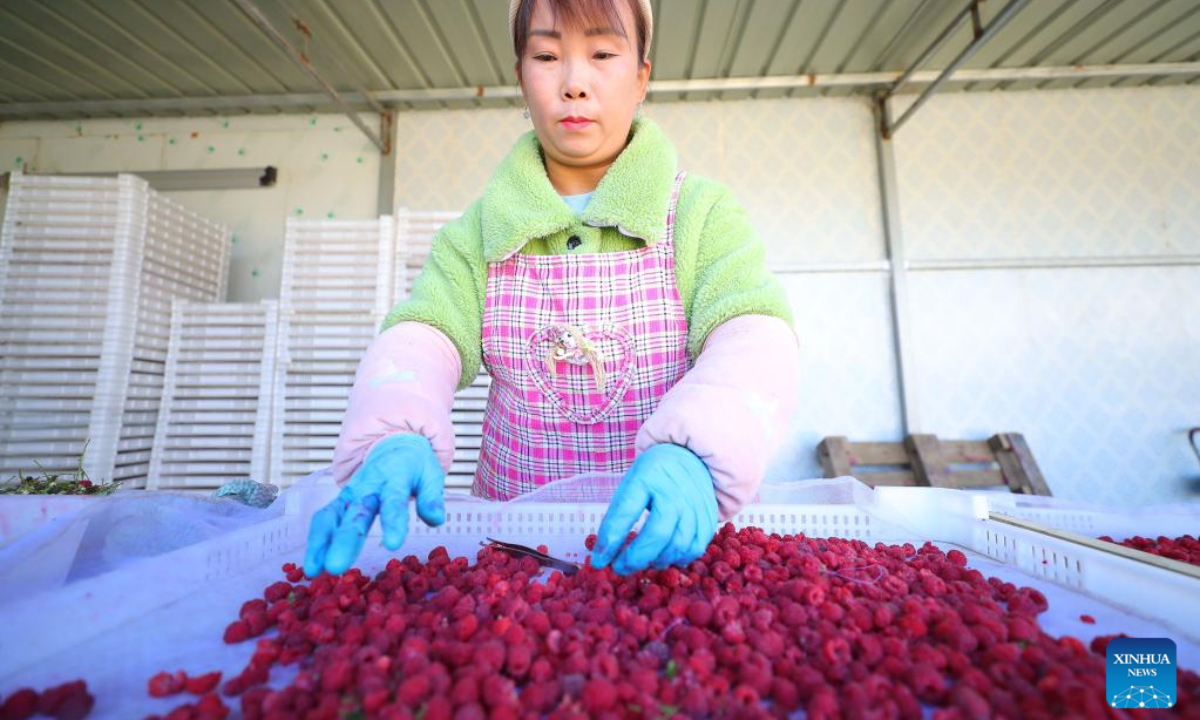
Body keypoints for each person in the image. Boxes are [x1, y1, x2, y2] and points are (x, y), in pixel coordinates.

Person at [303, 0, 800, 579]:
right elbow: (424, 336)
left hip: (672, 553)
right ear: (520, 78)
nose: (574, 84)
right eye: (546, 55)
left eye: (602, 54)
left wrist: (697, 450)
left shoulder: (700, 215)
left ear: (641, 77)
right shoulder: (478, 234)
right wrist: (393, 432)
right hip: (518, 564)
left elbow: (754, 336)